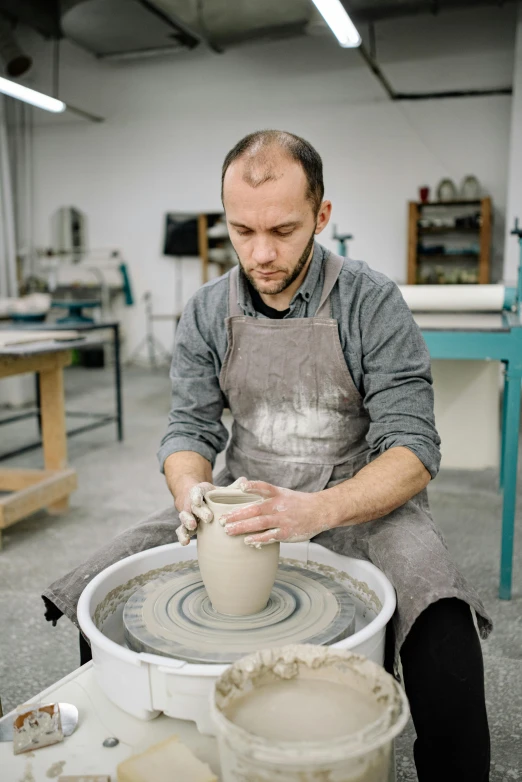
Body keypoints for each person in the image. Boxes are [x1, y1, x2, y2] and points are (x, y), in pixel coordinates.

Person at [43, 130, 491, 782]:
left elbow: (413, 450)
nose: (261, 252)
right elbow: (189, 428)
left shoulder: (371, 302)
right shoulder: (206, 310)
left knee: (443, 624)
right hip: (243, 493)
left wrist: (318, 511)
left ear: (322, 215)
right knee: (101, 594)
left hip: (362, 497)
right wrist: (192, 490)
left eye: (282, 230)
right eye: (242, 230)